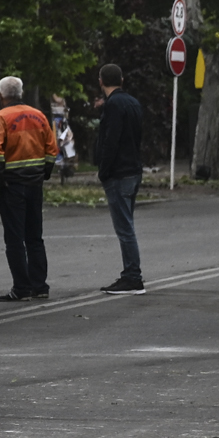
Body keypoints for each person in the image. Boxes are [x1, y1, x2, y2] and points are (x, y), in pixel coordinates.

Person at [0, 75, 56, 302]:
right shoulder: (39, 116)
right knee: (35, 236)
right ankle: (40, 286)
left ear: (1, 95)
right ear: (21, 93)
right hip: (34, 184)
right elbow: (51, 150)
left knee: (15, 239)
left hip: (12, 185)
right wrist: (43, 174)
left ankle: (22, 288)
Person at [91, 64, 150, 293]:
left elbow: (111, 140)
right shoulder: (132, 103)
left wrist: (103, 170)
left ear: (101, 81)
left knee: (124, 228)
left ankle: (133, 277)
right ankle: (130, 273)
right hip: (133, 169)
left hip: (119, 172)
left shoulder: (113, 105)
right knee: (128, 225)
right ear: (122, 79)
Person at [49, 98, 79, 184]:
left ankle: (66, 167)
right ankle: (61, 165)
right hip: (58, 124)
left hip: (62, 124)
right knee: (59, 143)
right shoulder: (56, 119)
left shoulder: (63, 118)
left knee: (66, 144)